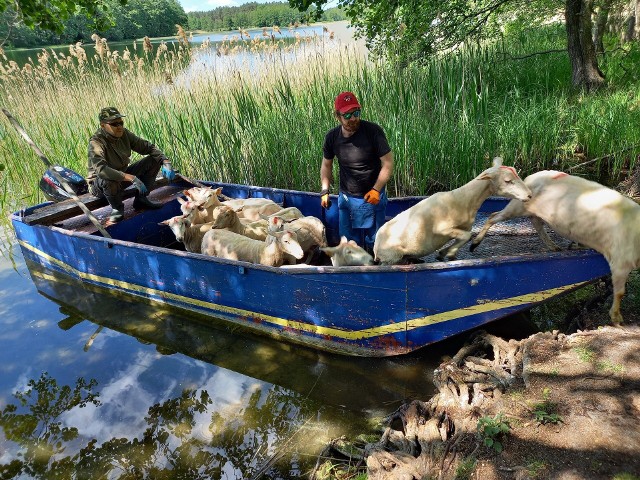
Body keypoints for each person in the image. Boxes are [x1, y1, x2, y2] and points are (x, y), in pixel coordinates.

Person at [320, 91, 394, 251]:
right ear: (338, 116)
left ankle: (376, 268)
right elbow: (326, 165)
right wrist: (324, 191)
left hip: (373, 197)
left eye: (356, 113)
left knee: (376, 241)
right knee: (348, 244)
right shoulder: (332, 137)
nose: (353, 118)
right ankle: (353, 270)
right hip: (347, 198)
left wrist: (376, 190)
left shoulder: (373, 131)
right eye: (347, 115)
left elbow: (388, 163)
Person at [87, 107, 176, 222]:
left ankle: (141, 199)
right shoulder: (96, 142)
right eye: (114, 124)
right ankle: (117, 208)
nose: (119, 126)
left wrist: (165, 161)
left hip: (122, 177)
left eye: (121, 122)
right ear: (103, 125)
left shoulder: (124, 134)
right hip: (99, 184)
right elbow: (102, 170)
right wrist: (131, 178)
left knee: (154, 160)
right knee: (107, 179)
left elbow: (148, 147)